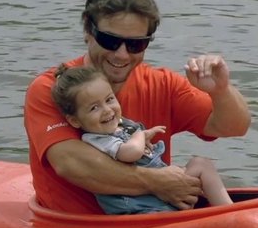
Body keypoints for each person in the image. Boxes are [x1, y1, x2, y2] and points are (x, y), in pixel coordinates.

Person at [24, 0, 250, 214]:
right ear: (88, 32)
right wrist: (158, 181)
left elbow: (234, 127)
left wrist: (220, 90)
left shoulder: (162, 83)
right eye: (110, 41)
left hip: (150, 222)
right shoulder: (52, 89)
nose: (121, 54)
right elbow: (70, 163)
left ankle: (235, 221)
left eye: (136, 44)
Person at [50, 64, 232, 214]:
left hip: (163, 195)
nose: (107, 110)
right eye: (94, 108)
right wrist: (140, 135)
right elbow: (130, 153)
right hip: (140, 209)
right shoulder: (96, 140)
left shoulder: (119, 126)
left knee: (201, 164)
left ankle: (229, 213)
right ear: (74, 120)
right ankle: (225, 221)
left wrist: (142, 135)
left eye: (109, 99)